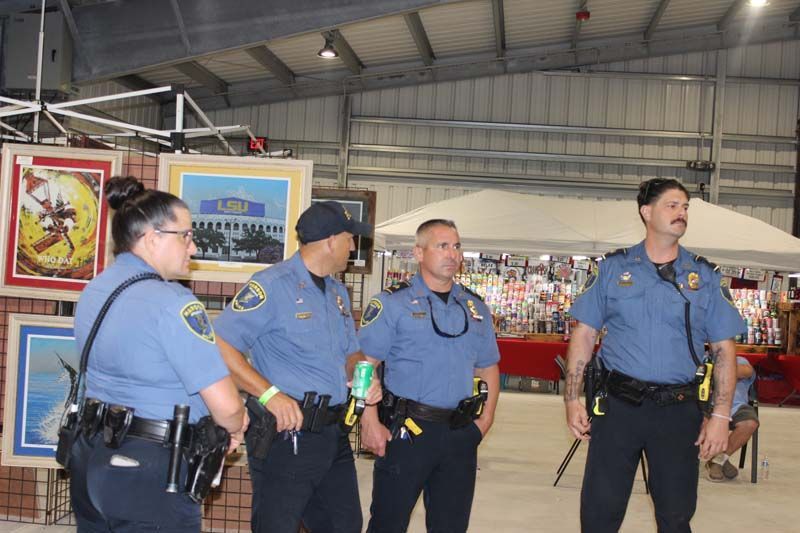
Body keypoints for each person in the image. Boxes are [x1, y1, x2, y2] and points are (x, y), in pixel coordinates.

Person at [564, 177, 746, 533]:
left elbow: (724, 349)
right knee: (600, 511)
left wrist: (721, 415)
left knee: (676, 515)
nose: (682, 213)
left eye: (685, 207)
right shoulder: (613, 269)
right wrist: (572, 399)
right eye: (672, 205)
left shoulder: (703, 276)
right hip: (619, 407)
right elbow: (583, 335)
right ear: (647, 212)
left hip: (678, 411)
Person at [69, 176, 247, 532]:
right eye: (186, 236)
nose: (193, 247)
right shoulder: (174, 302)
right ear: (151, 238)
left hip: (90, 455)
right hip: (151, 472)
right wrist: (235, 425)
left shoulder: (95, 289)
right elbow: (226, 406)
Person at [214, 201, 380, 533]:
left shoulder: (337, 293)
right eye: (350, 239)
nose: (353, 247)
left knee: (344, 525)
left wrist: (363, 373)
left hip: (333, 434)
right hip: (288, 436)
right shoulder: (272, 285)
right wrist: (269, 395)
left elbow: (350, 351)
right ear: (331, 241)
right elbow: (219, 344)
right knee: (277, 525)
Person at [358, 218, 501, 533]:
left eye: (457, 246)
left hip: (460, 433)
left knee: (451, 525)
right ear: (419, 253)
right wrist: (369, 421)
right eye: (442, 246)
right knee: (388, 523)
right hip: (408, 430)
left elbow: (488, 365)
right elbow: (365, 363)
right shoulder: (392, 303)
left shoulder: (475, 308)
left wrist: (485, 420)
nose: (453, 254)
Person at [706, 356, 759, 481]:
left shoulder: (739, 360)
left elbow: (747, 371)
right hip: (708, 406)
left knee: (750, 423)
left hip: (736, 406)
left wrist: (712, 369)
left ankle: (718, 460)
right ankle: (721, 461)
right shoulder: (702, 357)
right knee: (689, 418)